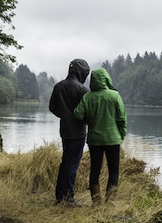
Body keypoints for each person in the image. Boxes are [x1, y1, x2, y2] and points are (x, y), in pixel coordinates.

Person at [73, 68, 127, 204]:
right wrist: (122, 134)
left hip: (94, 140)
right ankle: (110, 203)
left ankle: (96, 203)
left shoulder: (88, 97)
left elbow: (78, 114)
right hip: (113, 139)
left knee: (95, 170)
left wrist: (90, 117)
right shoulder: (115, 96)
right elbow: (122, 118)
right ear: (107, 79)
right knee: (113, 171)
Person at [49, 58, 91, 206]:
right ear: (82, 72)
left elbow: (52, 108)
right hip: (78, 132)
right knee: (72, 164)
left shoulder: (58, 86)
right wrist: (82, 121)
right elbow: (88, 114)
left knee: (65, 162)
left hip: (65, 130)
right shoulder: (82, 90)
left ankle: (60, 196)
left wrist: (65, 116)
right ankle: (69, 198)